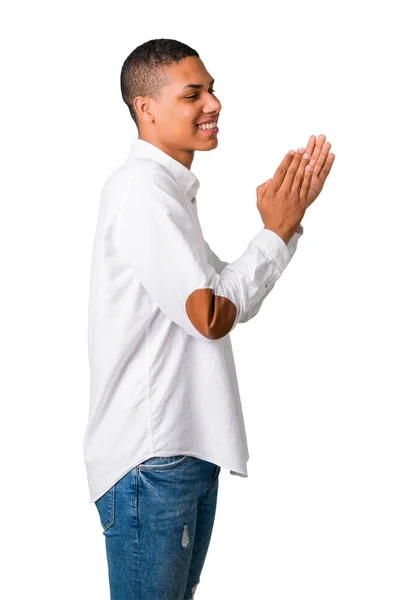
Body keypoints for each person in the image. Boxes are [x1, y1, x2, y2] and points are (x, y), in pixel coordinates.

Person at [82, 38, 335, 600]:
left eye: (213, 89)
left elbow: (222, 296)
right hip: (153, 459)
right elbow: (213, 316)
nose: (213, 103)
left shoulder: (168, 192)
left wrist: (282, 229)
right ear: (146, 108)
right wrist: (274, 232)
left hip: (179, 453)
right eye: (193, 93)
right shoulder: (142, 190)